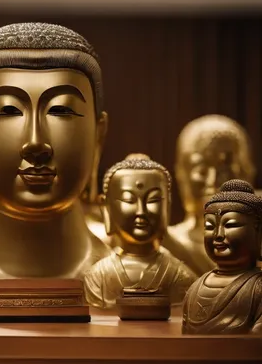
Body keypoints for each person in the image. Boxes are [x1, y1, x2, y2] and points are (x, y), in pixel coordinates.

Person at [0, 21, 109, 279]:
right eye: (9, 110)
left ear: (98, 136)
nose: (36, 142)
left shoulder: (116, 277)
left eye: (61, 110)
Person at [84, 155, 196, 308]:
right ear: (106, 209)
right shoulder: (98, 276)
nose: (141, 211)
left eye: (153, 200)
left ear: (167, 207)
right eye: (129, 200)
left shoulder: (180, 276)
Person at [165, 114, 255, 276]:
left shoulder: (256, 246)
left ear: (247, 172)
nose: (213, 181)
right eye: (201, 170)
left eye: (225, 169)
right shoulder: (164, 244)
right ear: (181, 173)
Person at [182, 179, 262, 334]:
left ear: (258, 232)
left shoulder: (258, 290)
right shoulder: (194, 289)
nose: (218, 235)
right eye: (210, 227)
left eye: (231, 225)